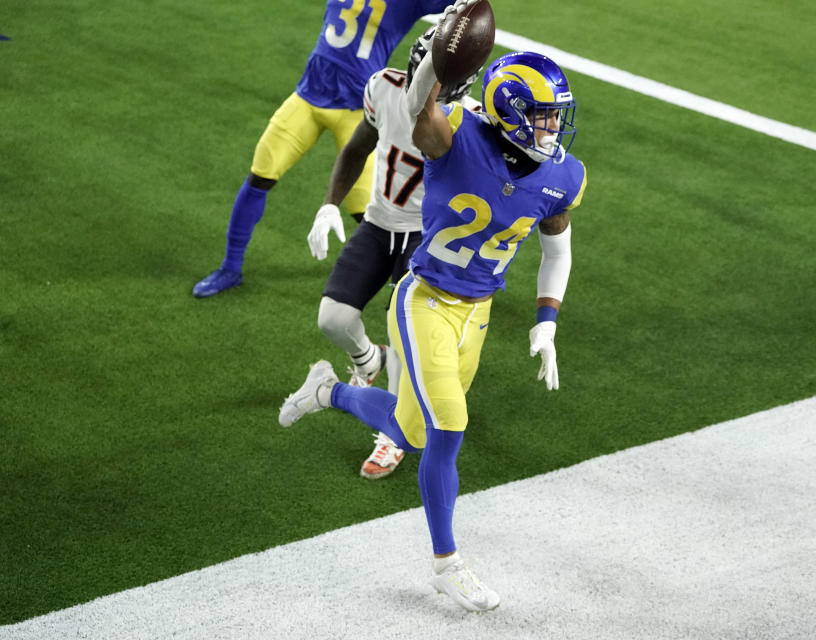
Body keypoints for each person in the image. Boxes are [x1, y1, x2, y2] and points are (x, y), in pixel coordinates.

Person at [278, 29, 586, 612]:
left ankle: (328, 391)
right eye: (544, 117)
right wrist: (441, 54)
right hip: (424, 302)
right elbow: (423, 109)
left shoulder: (564, 176)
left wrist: (547, 320)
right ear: (513, 113)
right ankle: (448, 563)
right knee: (449, 427)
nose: (553, 129)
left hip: (479, 313)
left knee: (412, 431)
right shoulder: (454, 137)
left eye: (556, 118)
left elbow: (558, 251)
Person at [306, 27, 480, 479]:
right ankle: (368, 361)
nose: (420, 81)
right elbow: (357, 148)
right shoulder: (383, 87)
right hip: (380, 222)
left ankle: (392, 437)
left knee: (407, 341)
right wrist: (329, 204)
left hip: (426, 237)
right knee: (333, 318)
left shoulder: (470, 120)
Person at [192, 0, 454, 298]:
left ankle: (428, 277)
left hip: (356, 110)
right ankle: (230, 267)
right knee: (261, 175)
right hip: (308, 96)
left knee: (369, 211)